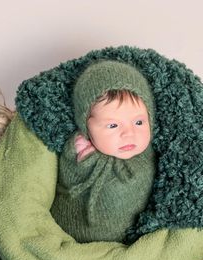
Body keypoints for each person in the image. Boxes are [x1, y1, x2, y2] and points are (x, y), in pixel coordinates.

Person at [50, 60, 156, 243]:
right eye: (113, 125)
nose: (129, 133)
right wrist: (79, 161)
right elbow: (67, 182)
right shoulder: (80, 149)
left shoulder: (150, 157)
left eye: (139, 122)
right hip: (72, 237)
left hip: (132, 242)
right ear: (86, 127)